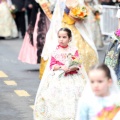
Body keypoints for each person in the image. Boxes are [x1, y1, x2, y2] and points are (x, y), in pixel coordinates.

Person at [34, 28, 88, 120]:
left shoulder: (74, 50)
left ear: (70, 39)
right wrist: (61, 67)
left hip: (73, 76)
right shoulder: (55, 51)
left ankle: (74, 115)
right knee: (56, 96)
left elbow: (77, 64)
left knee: (75, 94)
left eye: (64, 37)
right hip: (59, 76)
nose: (61, 39)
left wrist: (72, 68)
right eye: (59, 37)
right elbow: (52, 66)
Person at [39, 0, 98, 79]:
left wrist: (79, 16)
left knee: (86, 52)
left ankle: (84, 76)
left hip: (77, 29)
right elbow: (57, 17)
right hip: (64, 28)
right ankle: (63, 72)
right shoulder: (61, 2)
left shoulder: (79, 1)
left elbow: (84, 17)